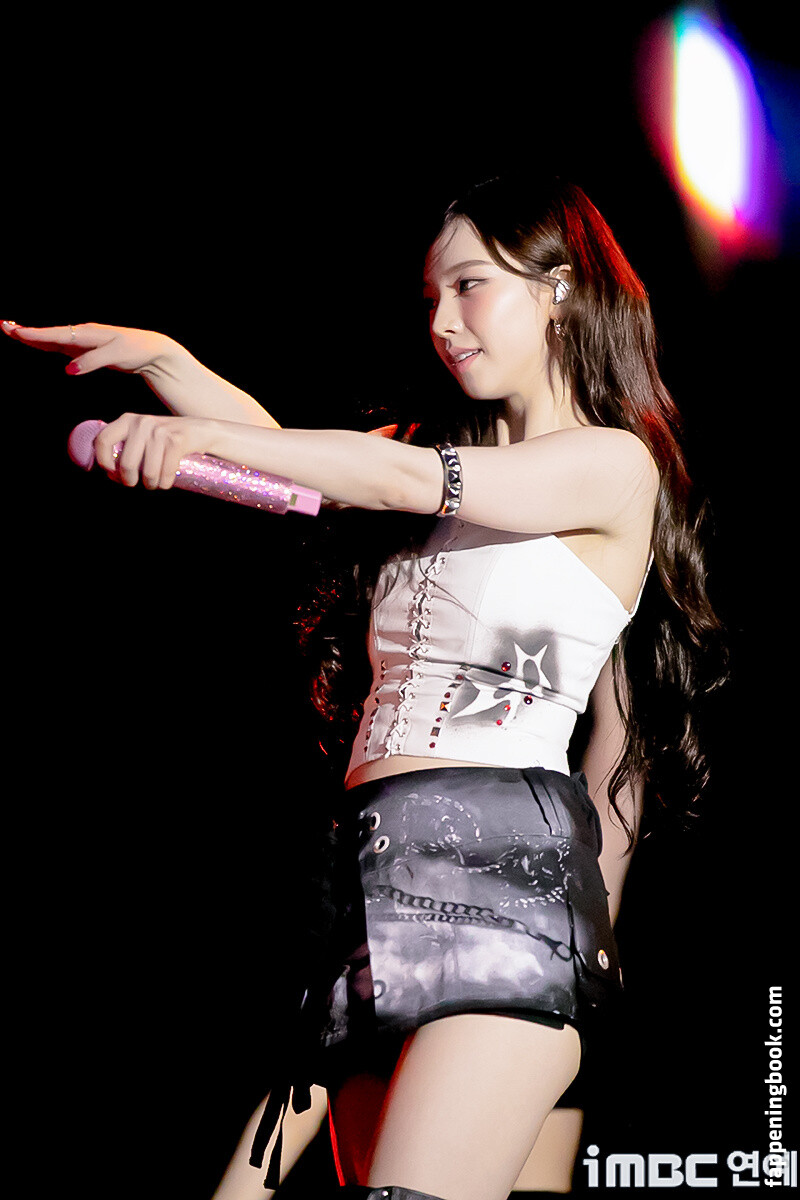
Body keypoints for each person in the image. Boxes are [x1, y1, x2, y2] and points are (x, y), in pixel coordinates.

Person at [2, 174, 724, 1200]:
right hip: (368, 890)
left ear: (560, 288)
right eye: (430, 296)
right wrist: (171, 367)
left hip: (502, 885)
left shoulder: (611, 466)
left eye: (469, 285)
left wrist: (197, 441)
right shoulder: (440, 464)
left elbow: (391, 477)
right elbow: (302, 471)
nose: (441, 322)